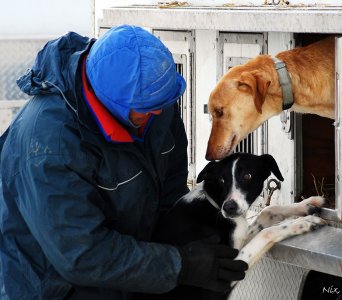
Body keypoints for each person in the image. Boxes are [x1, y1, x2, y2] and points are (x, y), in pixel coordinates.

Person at [0, 25, 248, 299]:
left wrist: (189, 237)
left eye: (163, 102)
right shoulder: (50, 147)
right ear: (111, 101)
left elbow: (170, 184)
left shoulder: (154, 105)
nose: (158, 110)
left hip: (128, 274)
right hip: (55, 287)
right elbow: (81, 254)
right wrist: (179, 265)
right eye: (147, 108)